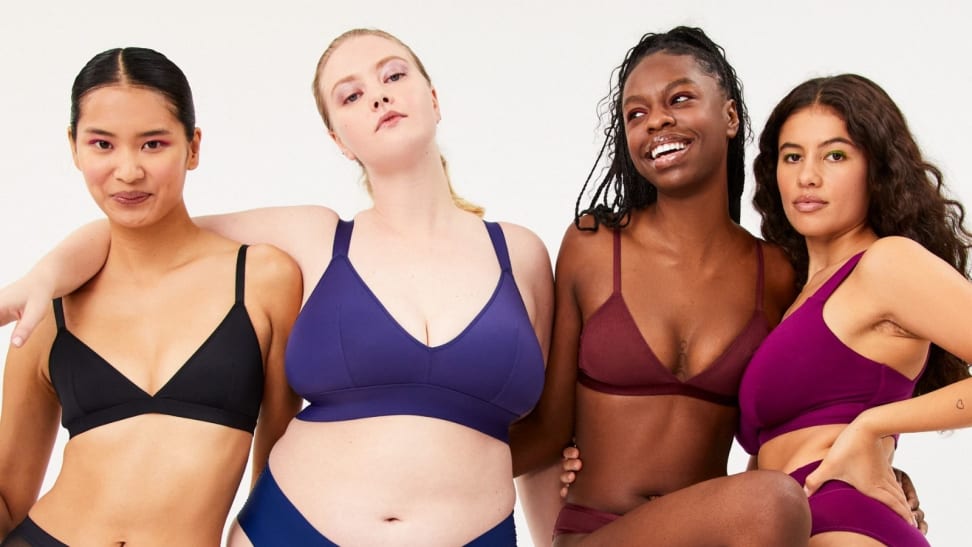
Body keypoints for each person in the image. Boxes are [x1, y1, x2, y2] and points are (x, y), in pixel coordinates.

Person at [0, 29, 553, 545]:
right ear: (338, 138)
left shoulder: (521, 253)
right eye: (351, 95)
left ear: (434, 98)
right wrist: (41, 277)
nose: (378, 97)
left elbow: (547, 431)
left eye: (393, 76)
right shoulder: (313, 236)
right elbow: (147, 226)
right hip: (291, 528)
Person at [509, 27, 812, 546]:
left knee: (777, 500)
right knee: (772, 500)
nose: (658, 122)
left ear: (731, 116)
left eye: (680, 99)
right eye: (636, 114)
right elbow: (549, 428)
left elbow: (802, 422)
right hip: (594, 533)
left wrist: (878, 473)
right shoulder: (595, 246)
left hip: (713, 537)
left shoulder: (779, 273)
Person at [0, 47, 302, 546]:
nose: (128, 170)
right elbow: (9, 495)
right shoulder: (49, 305)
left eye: (153, 144)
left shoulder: (263, 279)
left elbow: (277, 473)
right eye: (102, 144)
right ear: (74, 147)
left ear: (193, 146)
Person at [738, 73, 972, 546]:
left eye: (835, 155)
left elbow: (847, 425)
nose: (808, 176)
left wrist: (873, 427)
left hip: (850, 526)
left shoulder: (887, 264)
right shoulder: (797, 294)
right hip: (782, 525)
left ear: (876, 169)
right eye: (792, 156)